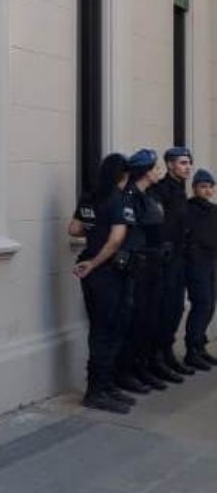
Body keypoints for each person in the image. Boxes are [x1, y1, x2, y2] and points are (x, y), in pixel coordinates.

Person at [70, 153, 136, 413]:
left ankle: (104, 386)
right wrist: (96, 262)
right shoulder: (118, 199)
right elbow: (117, 239)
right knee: (107, 331)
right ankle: (97, 391)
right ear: (123, 175)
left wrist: (94, 228)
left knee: (101, 328)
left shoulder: (89, 197)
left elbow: (74, 229)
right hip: (106, 270)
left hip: (93, 272)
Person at [116, 149, 169, 395]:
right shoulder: (130, 197)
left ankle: (142, 365)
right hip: (138, 265)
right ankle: (125, 371)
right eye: (155, 167)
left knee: (150, 318)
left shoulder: (150, 195)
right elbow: (130, 234)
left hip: (154, 263)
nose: (159, 171)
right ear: (145, 171)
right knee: (134, 321)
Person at [148, 146, 194, 380]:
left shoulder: (180, 191)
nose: (187, 167)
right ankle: (156, 359)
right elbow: (158, 223)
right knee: (163, 309)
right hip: (163, 260)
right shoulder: (161, 190)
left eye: (188, 163)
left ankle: (167, 354)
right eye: (183, 163)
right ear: (170, 165)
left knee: (176, 308)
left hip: (179, 259)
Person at [184, 168, 217, 371]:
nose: (207, 190)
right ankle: (191, 350)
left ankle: (200, 346)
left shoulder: (214, 210)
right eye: (203, 186)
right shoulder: (188, 209)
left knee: (210, 305)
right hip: (195, 263)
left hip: (212, 261)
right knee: (201, 304)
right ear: (195, 188)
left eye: (210, 186)